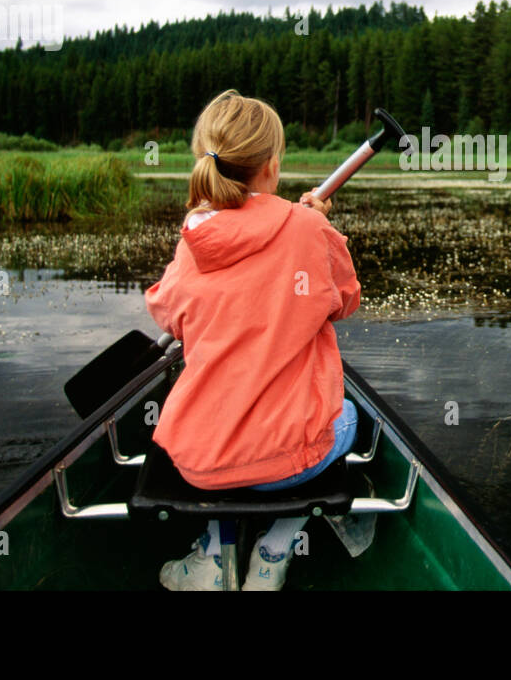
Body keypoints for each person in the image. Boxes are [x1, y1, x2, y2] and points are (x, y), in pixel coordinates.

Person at [144, 89, 361, 590]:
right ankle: (272, 553)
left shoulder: (194, 237)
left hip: (200, 463)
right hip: (291, 463)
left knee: (214, 425)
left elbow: (167, 312)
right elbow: (345, 301)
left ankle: (213, 561)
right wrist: (320, 231)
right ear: (271, 167)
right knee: (348, 416)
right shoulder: (308, 228)